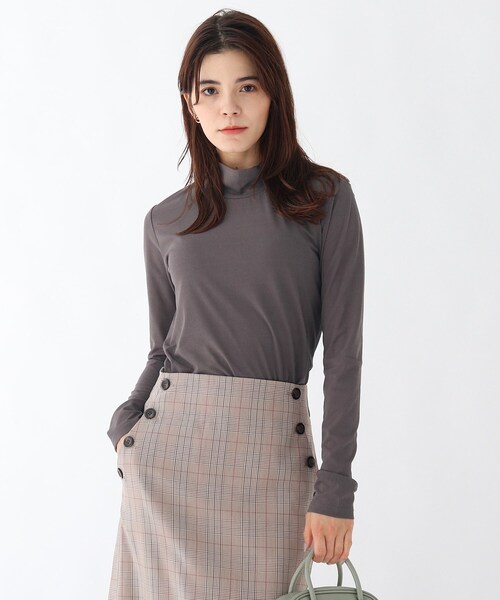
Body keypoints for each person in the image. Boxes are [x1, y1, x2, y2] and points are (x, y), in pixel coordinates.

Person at [107, 8, 365, 600]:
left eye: (247, 87)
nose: (229, 107)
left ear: (273, 93)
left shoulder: (325, 200)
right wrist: (125, 424)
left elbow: (344, 355)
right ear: (191, 103)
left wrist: (336, 487)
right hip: (167, 468)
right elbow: (162, 348)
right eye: (211, 91)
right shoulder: (166, 220)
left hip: (273, 463)